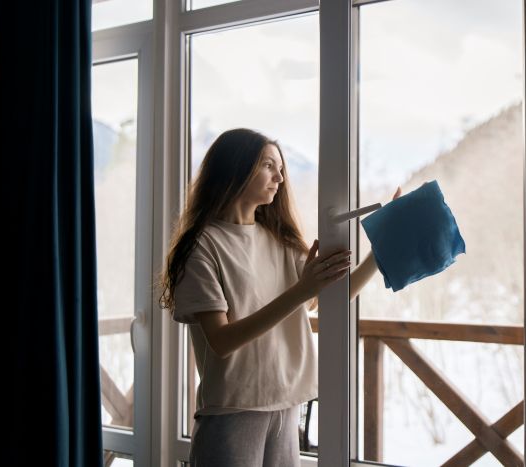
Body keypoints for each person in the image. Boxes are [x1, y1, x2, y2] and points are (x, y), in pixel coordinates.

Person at [159, 128, 401, 467]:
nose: (280, 177)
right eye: (269, 166)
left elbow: (329, 297)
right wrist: (301, 291)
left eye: (282, 168)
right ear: (236, 168)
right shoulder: (202, 246)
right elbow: (222, 340)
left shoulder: (278, 240)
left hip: (287, 405)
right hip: (232, 410)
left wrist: (379, 252)